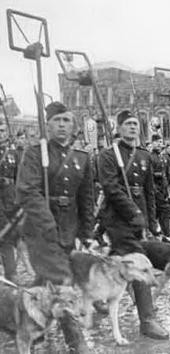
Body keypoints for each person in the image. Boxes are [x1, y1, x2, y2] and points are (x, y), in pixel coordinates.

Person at [16, 102, 93, 353]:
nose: (62, 125)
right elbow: (27, 191)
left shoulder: (82, 158)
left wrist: (87, 232)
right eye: (57, 120)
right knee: (63, 280)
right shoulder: (35, 153)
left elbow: (86, 198)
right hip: (41, 230)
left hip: (68, 228)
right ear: (47, 124)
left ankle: (28, 322)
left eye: (67, 120)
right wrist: (47, 222)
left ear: (74, 125)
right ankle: (76, 341)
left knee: (43, 281)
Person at [98, 110, 169, 340]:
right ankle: (147, 320)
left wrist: (150, 220)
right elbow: (111, 188)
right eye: (127, 124)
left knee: (117, 260)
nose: (132, 128)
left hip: (138, 220)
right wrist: (133, 212)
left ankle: (100, 292)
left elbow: (149, 192)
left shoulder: (144, 155)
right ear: (118, 128)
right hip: (118, 219)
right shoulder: (108, 155)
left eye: (135, 124)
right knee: (138, 262)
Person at [0, 121, 19, 282]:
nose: (1, 134)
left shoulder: (13, 154)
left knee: (7, 237)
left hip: (9, 201)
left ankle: (11, 274)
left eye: (3, 130)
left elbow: (19, 177)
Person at [149, 133, 170, 237]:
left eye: (161, 142)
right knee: (155, 215)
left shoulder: (162, 158)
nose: (159, 144)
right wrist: (155, 191)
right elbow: (149, 178)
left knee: (164, 214)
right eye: (157, 142)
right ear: (152, 143)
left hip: (163, 191)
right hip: (155, 192)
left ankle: (166, 235)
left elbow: (167, 175)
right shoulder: (150, 157)